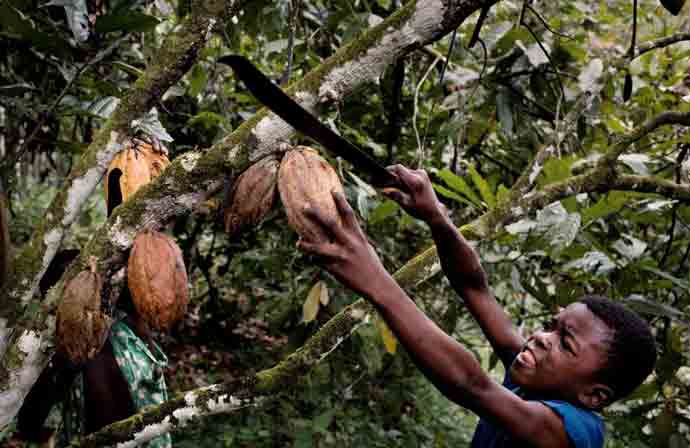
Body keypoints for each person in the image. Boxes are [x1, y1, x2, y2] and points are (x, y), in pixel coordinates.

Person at [297, 164, 657, 448]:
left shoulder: (574, 431)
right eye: (552, 325)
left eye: (565, 343)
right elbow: (474, 287)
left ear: (593, 395)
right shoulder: (535, 376)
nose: (542, 337)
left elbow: (473, 385)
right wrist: (437, 216)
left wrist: (376, 281)